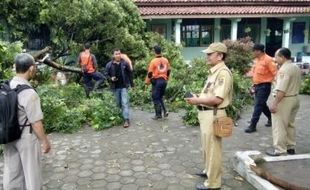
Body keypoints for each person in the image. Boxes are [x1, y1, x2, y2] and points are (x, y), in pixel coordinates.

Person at [185, 42, 233, 190]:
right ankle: (208, 172)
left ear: (220, 56)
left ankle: (213, 184)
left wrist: (196, 100)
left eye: (210, 54)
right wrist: (198, 96)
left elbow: (217, 100)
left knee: (213, 150)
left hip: (214, 114)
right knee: (207, 147)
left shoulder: (223, 73)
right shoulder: (214, 72)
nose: (207, 56)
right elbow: (209, 94)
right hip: (206, 114)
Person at [3, 53, 51, 190]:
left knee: (12, 172)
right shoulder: (29, 93)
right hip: (26, 137)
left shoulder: (7, 85)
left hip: (9, 134)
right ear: (31, 68)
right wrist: (44, 141)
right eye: (34, 67)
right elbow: (36, 122)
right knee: (32, 173)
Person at [266, 48, 301, 156]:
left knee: (279, 125)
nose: (275, 59)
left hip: (284, 99)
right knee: (290, 124)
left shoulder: (284, 69)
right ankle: (290, 147)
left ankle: (280, 150)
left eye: (276, 57)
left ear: (282, 57)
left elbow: (281, 89)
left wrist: (274, 103)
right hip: (295, 98)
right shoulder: (295, 67)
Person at [245, 44, 277, 133]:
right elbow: (255, 74)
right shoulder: (256, 60)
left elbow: (275, 73)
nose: (253, 52)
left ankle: (253, 125)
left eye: (254, 51)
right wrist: (253, 85)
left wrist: (278, 87)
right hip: (257, 85)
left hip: (265, 86)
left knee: (258, 105)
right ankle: (271, 118)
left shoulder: (268, 60)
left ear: (258, 51)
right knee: (262, 105)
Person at [105, 49, 133, 128]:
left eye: (119, 54)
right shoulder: (109, 65)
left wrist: (132, 85)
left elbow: (130, 74)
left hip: (124, 86)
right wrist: (111, 78)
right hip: (115, 87)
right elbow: (105, 74)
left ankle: (126, 119)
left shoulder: (124, 63)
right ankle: (120, 116)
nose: (118, 55)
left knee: (125, 103)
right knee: (118, 103)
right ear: (113, 55)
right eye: (116, 54)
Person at [145, 45, 170, 120]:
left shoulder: (153, 61)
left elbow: (149, 73)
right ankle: (165, 111)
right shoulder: (166, 60)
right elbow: (168, 70)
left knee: (155, 97)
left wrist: (147, 82)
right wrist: (167, 78)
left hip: (157, 81)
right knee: (160, 97)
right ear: (160, 51)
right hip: (164, 81)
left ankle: (158, 115)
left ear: (154, 52)